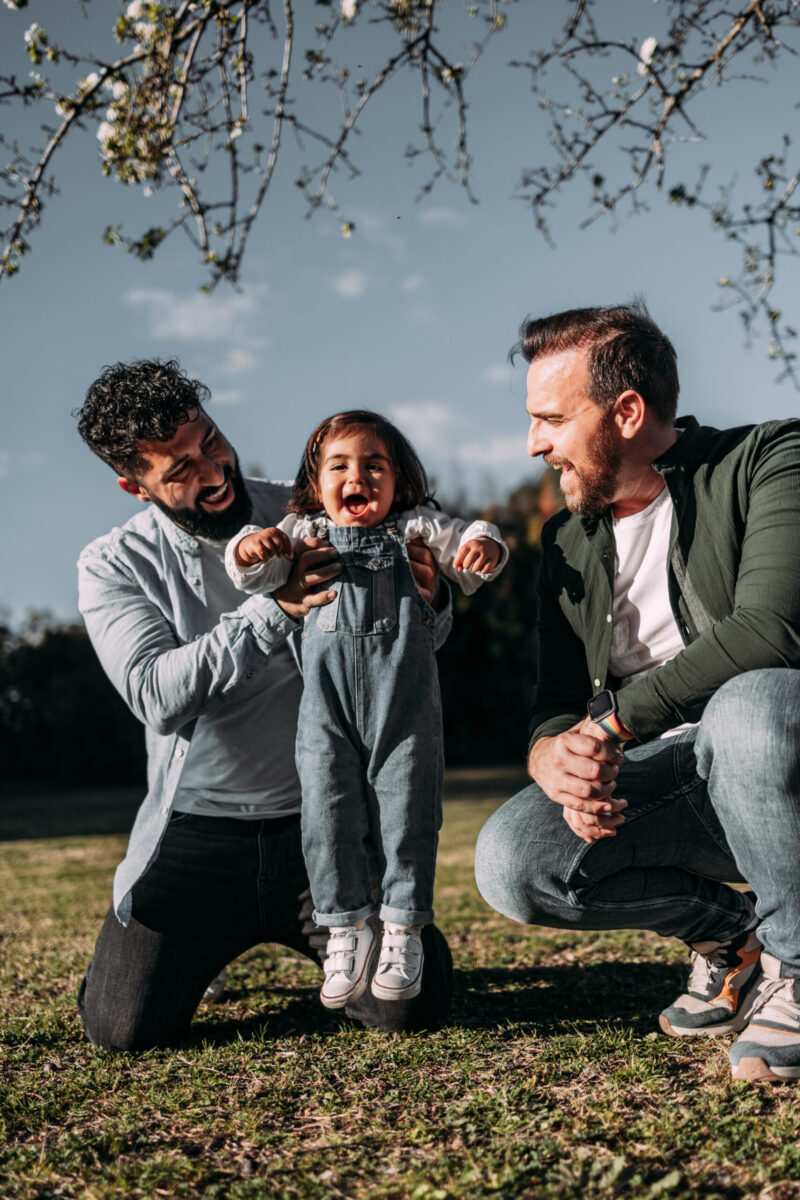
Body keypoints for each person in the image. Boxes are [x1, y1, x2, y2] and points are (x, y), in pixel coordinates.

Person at [74, 359, 454, 1050]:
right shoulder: (112, 564)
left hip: (323, 823)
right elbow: (156, 694)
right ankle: (167, 957)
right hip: (197, 834)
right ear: (134, 486)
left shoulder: (313, 509)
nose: (213, 472)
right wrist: (273, 608)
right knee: (122, 1029)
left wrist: (432, 602)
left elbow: (404, 645)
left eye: (210, 442)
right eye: (180, 470)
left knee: (411, 1010)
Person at [473, 303, 800, 1083]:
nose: (534, 443)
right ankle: (733, 940)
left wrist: (612, 729)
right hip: (679, 777)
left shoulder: (769, 458)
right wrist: (557, 755)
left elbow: (771, 631)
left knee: (749, 705)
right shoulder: (566, 538)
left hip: (778, 758)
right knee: (512, 860)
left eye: (551, 419)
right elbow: (554, 696)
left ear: (626, 411)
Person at [225, 410, 508, 1010]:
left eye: (374, 465)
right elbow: (255, 576)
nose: (358, 476)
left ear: (398, 480)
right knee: (326, 818)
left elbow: (472, 536)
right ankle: (344, 931)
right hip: (325, 713)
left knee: (408, 815)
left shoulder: (414, 529)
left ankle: (402, 928)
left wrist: (484, 546)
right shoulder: (302, 531)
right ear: (316, 478)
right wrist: (250, 547)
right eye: (340, 465)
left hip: (404, 710)